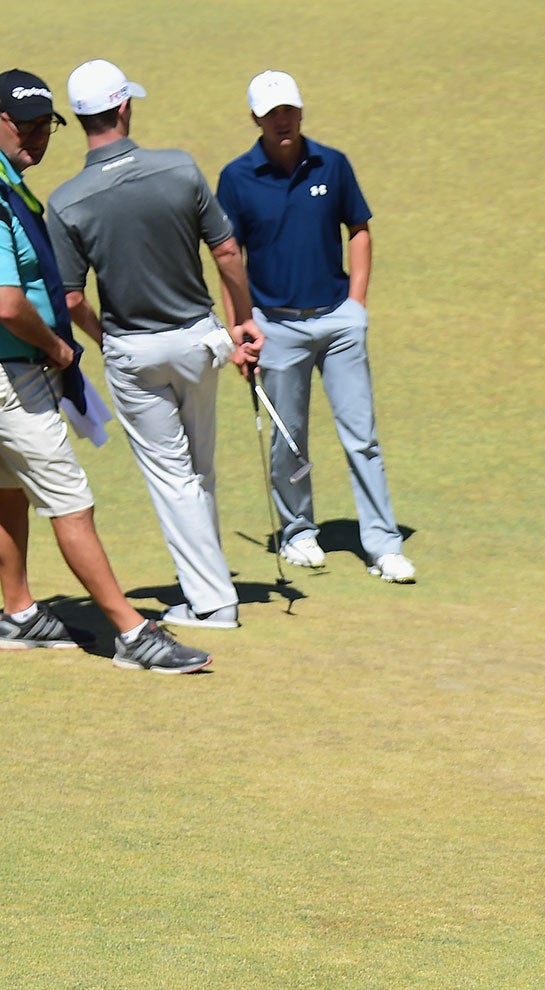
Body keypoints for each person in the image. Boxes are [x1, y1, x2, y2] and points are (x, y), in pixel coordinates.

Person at [0, 68, 209, 673]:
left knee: (9, 491)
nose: (39, 136)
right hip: (14, 375)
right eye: (26, 124)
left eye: (48, 124)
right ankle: (132, 631)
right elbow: (8, 304)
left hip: (12, 371)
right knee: (71, 501)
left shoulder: (13, 183)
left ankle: (17, 612)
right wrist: (60, 350)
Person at [46, 59, 263, 631]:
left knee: (174, 476)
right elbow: (226, 254)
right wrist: (243, 322)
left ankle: (213, 602)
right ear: (122, 108)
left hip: (135, 352)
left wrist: (104, 336)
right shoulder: (180, 168)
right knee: (199, 470)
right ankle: (209, 587)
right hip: (199, 340)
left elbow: (70, 301)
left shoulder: (66, 202)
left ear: (82, 117)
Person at [215, 71, 411, 583]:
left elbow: (360, 230)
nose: (283, 120)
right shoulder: (237, 178)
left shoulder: (333, 163)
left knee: (361, 436)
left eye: (289, 110)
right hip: (276, 329)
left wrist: (357, 305)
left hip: (338, 321)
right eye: (272, 113)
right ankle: (299, 531)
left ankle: (383, 543)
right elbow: (228, 258)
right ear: (256, 118)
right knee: (290, 442)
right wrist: (240, 329)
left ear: (300, 111)